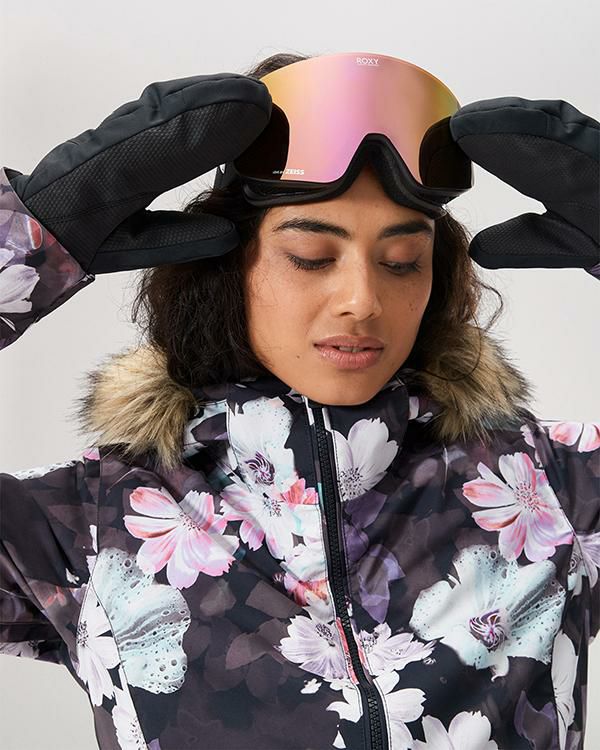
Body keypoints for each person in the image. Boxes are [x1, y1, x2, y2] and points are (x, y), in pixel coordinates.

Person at [0, 50, 598, 750]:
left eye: (402, 262)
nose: (363, 300)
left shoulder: (553, 488)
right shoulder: (93, 520)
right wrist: (29, 245)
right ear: (230, 268)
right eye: (312, 256)